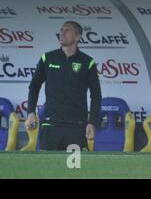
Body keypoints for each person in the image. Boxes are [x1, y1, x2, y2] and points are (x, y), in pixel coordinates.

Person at [26, 21, 102, 151]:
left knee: (74, 169)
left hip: (77, 127)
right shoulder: (48, 58)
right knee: (47, 170)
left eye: (67, 30)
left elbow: (96, 95)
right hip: (51, 125)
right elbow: (34, 86)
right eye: (61, 30)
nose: (62, 33)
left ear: (77, 37)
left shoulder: (87, 62)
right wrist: (31, 112)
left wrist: (92, 122)